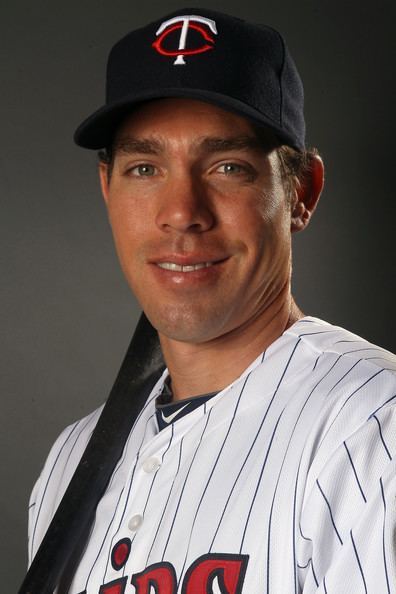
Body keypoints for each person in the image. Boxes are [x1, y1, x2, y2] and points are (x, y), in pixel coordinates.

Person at [27, 8, 396, 594]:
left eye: (228, 167)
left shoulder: (372, 424)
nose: (181, 212)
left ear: (301, 193)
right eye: (145, 167)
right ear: (107, 189)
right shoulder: (69, 464)